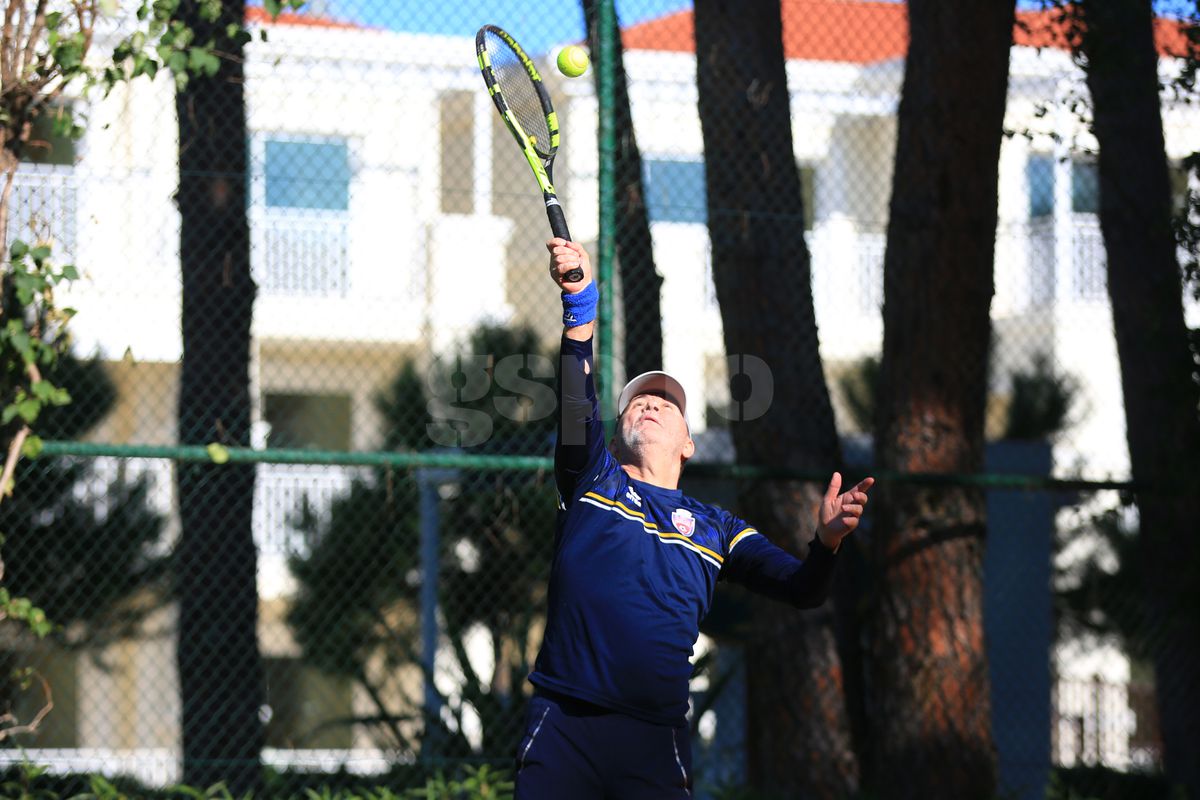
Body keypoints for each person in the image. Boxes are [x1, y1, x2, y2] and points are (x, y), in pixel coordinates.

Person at [514, 238, 874, 799]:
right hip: (564, 722)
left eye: (667, 403)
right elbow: (575, 394)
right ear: (615, 432)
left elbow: (803, 590)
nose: (651, 404)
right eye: (638, 401)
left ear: (687, 444)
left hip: (654, 738)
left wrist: (826, 543)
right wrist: (581, 302)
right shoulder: (591, 478)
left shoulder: (718, 528)